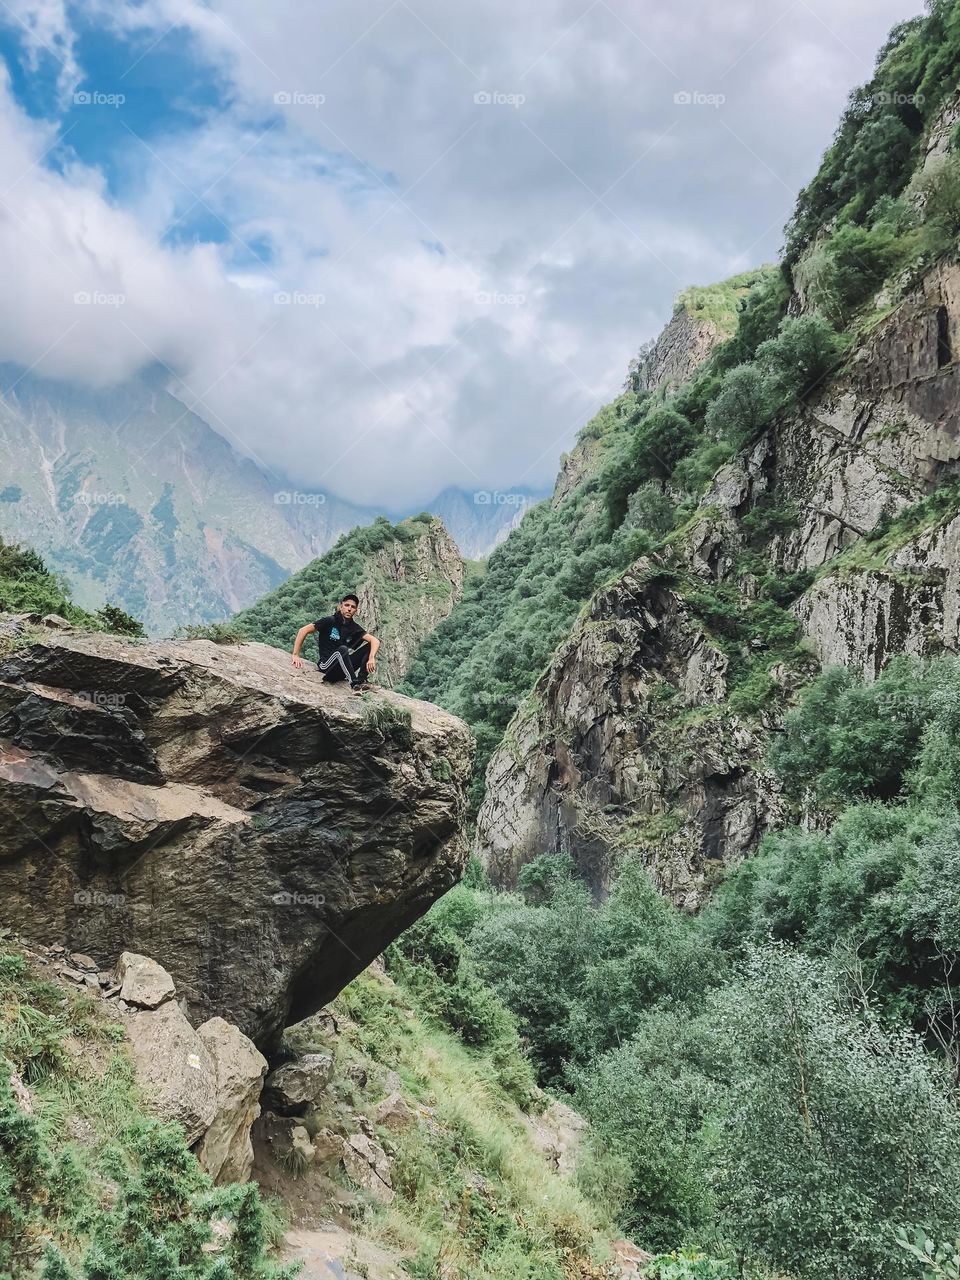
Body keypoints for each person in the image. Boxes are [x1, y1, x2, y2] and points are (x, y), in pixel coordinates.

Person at [291, 593, 380, 694]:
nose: (349, 609)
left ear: (356, 610)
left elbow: (375, 641)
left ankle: (361, 680)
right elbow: (303, 630)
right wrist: (296, 655)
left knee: (369, 647)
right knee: (342, 650)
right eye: (347, 605)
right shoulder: (330, 621)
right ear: (341, 606)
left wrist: (371, 657)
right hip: (326, 666)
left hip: (341, 670)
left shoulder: (353, 627)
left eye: (353, 607)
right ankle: (354, 685)